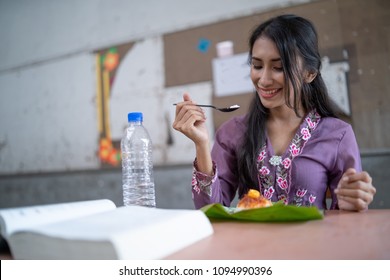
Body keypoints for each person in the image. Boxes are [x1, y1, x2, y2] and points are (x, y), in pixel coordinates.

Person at [173, 14, 376, 211]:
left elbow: (347, 213)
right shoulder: (232, 133)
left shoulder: (338, 135)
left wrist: (353, 203)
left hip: (313, 245)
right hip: (248, 246)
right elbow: (211, 209)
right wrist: (201, 144)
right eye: (257, 65)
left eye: (278, 67)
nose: (263, 79)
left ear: (310, 73)